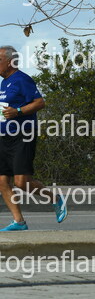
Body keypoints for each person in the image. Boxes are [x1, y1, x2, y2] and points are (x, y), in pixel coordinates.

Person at [0, 45, 68, 231]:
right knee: (2, 181)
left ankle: (54, 198)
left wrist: (18, 111)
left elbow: (40, 102)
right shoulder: (4, 83)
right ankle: (19, 222)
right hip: (4, 137)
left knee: (21, 182)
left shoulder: (22, 79)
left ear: (10, 62)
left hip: (23, 135)